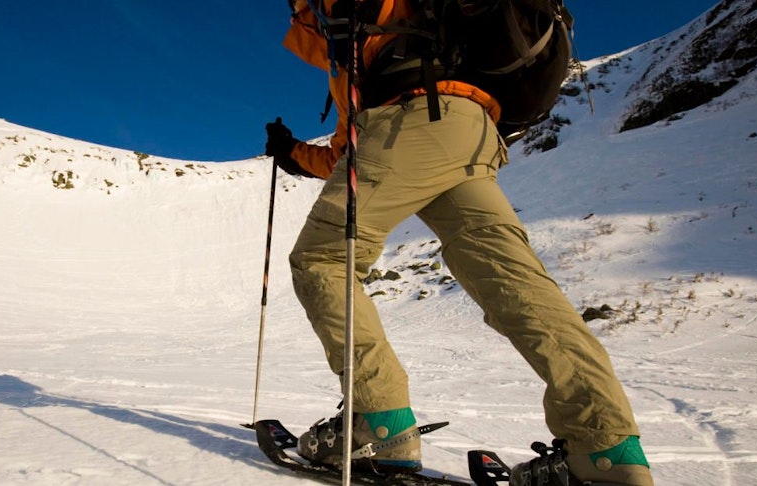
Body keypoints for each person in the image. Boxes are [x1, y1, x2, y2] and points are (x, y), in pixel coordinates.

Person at [264, 1, 654, 485]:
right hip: (471, 131)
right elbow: (351, 152)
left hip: (409, 119)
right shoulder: (410, 35)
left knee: (322, 259)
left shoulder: (360, 30)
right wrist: (296, 155)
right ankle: (606, 451)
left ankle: (379, 424)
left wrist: (292, 152)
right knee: (516, 286)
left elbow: (363, 149)